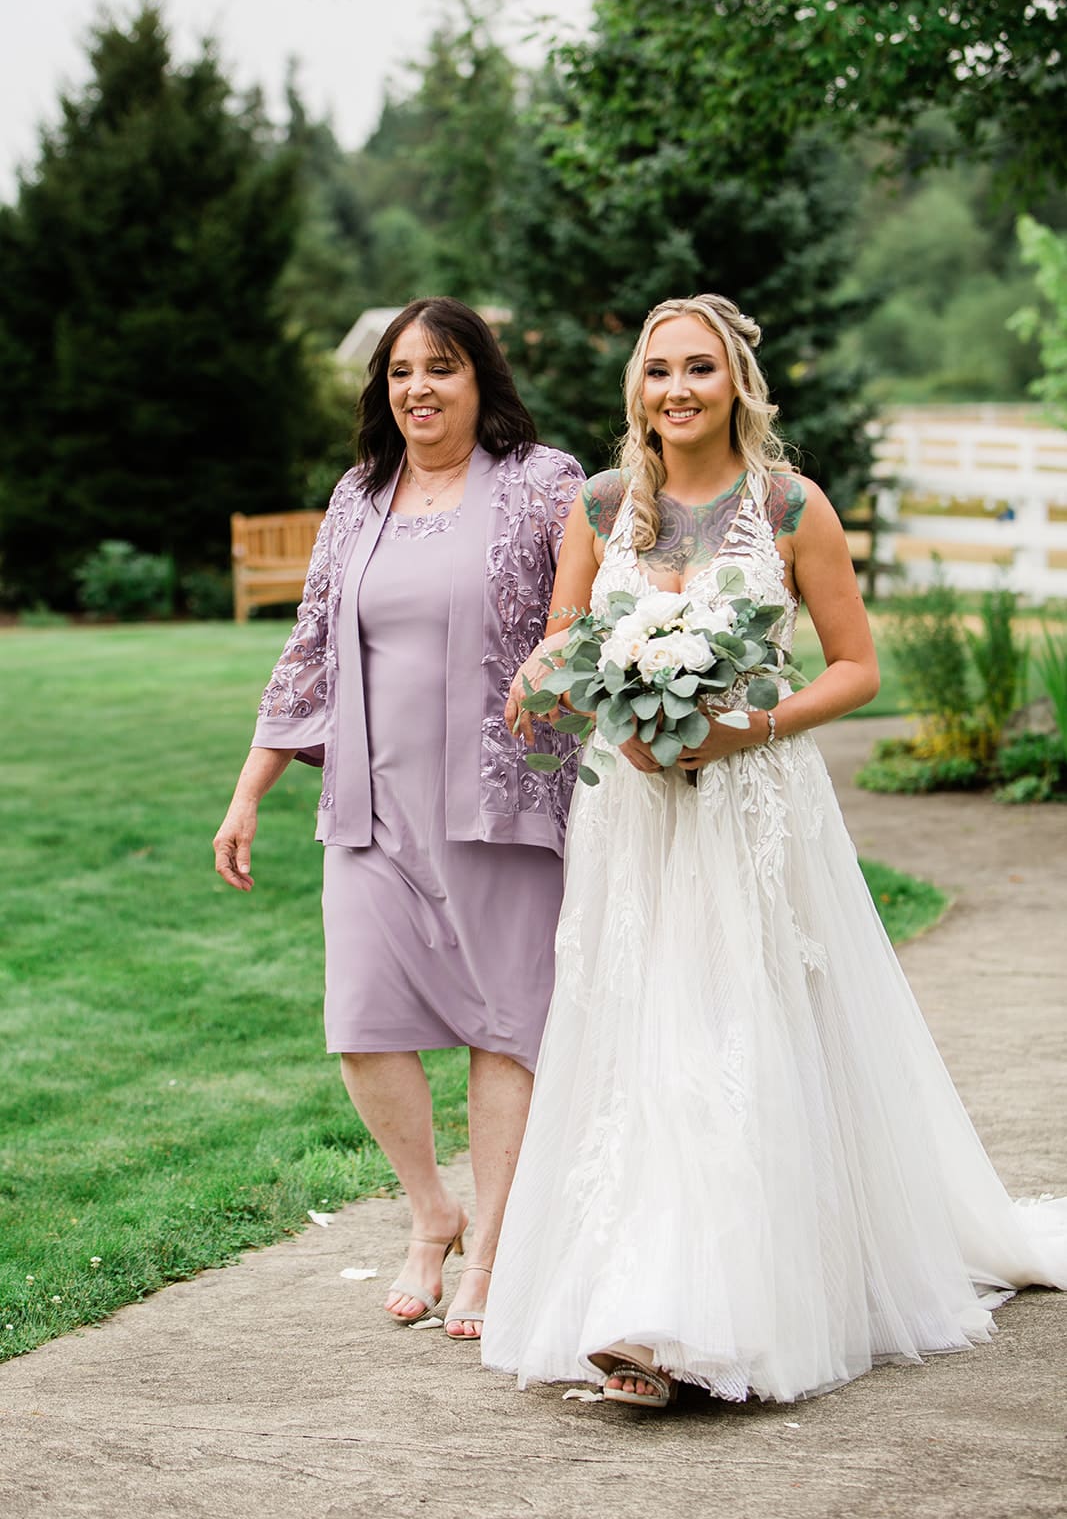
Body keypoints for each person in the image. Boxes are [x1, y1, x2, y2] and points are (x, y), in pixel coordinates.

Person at [482, 294, 1067, 1406]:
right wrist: (566, 687)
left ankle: (691, 1319)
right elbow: (566, 641)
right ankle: (627, 1298)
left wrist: (748, 725)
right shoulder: (600, 507)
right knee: (637, 1033)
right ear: (636, 388)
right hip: (633, 818)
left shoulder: (792, 507)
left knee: (728, 1036)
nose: (677, 389)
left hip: (749, 811)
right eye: (659, 370)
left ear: (737, 384)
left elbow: (855, 667)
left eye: (698, 368)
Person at [214, 297, 584, 1340]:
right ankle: (432, 1214)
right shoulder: (359, 493)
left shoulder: (543, 482)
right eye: (400, 371)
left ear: (480, 380)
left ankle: (492, 1250)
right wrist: (250, 788)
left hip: (503, 797)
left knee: (506, 1023)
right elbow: (311, 646)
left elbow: (589, 615)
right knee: (365, 1021)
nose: (418, 388)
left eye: (441, 368)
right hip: (371, 802)